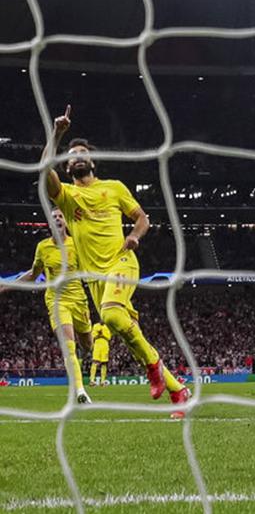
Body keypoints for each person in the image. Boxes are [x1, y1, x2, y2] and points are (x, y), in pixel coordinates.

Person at [43, 106, 190, 416]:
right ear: (67, 165)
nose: (78, 156)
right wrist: (57, 135)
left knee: (111, 318)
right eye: (72, 154)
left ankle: (153, 366)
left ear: (93, 161)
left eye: (83, 152)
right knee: (123, 328)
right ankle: (178, 391)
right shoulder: (67, 196)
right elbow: (44, 174)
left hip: (122, 262)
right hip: (94, 280)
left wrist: (135, 236)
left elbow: (142, 219)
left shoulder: (114, 188)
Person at [0, 209, 92, 402]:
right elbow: (33, 274)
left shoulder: (77, 243)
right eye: (54, 217)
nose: (57, 219)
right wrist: (7, 285)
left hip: (79, 300)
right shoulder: (42, 247)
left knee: (87, 344)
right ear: (49, 224)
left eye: (60, 216)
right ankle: (80, 390)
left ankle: (81, 363)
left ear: (65, 223)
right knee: (69, 347)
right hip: (57, 301)